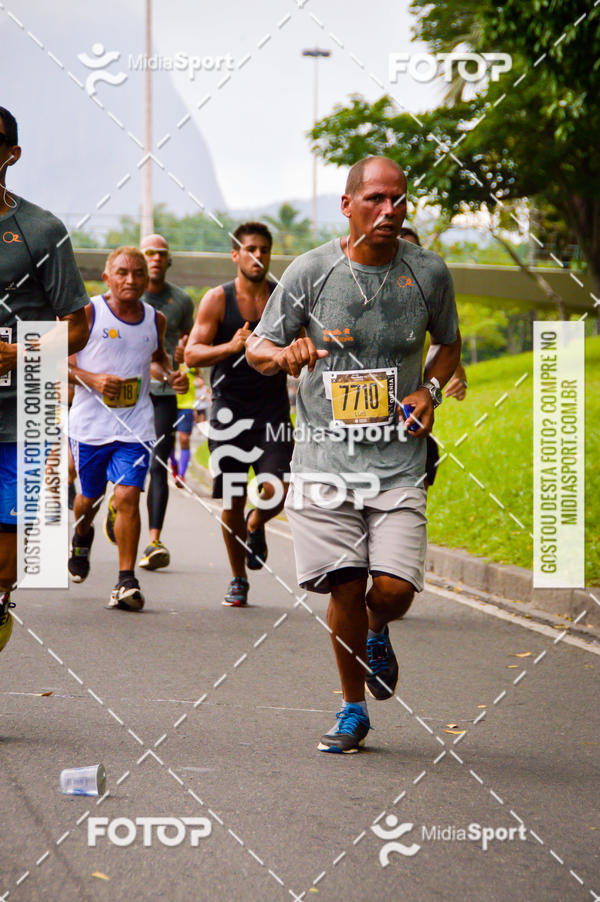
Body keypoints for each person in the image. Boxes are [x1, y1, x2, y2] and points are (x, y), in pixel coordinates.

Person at [247, 157, 461, 753]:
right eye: (374, 199)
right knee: (344, 585)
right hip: (324, 460)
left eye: (398, 200)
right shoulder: (312, 271)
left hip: (397, 461)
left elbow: (448, 344)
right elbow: (260, 346)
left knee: (392, 591)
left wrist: (430, 391)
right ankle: (352, 710)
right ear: (348, 205)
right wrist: (283, 356)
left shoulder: (428, 274)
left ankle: (376, 627)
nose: (389, 210)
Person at [0, 106, 89, 653]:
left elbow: (77, 327)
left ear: (11, 154)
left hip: (19, 418)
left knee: (4, 568)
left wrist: (18, 354)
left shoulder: (40, 230)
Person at [185, 222, 293, 607]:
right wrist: (231, 346)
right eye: (250, 249)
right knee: (231, 498)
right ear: (236, 254)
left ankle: (256, 523)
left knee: (277, 489)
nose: (258, 256)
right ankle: (237, 578)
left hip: (273, 410)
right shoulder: (218, 299)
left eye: (264, 249)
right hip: (229, 411)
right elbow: (191, 354)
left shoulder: (285, 299)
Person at [67, 247, 181, 611]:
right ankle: (82, 534)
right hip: (90, 427)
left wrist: (170, 375)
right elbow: (57, 363)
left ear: (147, 280)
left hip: (135, 427)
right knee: (89, 498)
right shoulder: (87, 313)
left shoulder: (155, 319)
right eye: (122, 273)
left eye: (138, 274)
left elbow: (156, 359)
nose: (130, 280)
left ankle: (125, 581)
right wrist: (92, 379)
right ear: (107, 277)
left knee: (128, 497)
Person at [137, 234, 192, 571]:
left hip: (164, 394)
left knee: (159, 464)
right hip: (128, 396)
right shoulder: (126, 295)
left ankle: (154, 540)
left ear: (168, 260)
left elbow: (185, 341)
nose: (156, 258)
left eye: (161, 254)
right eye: (149, 253)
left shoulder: (182, 301)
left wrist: (182, 365)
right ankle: (117, 502)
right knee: (130, 465)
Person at [399, 226, 468, 488]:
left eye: (415, 253)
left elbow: (448, 346)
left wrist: (458, 378)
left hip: (412, 426)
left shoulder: (426, 299)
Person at [169, 363, 197, 487]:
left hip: (186, 406)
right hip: (169, 404)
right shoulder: (168, 360)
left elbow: (198, 375)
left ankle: (181, 475)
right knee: (168, 441)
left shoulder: (191, 360)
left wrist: (200, 381)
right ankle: (174, 463)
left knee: (184, 439)